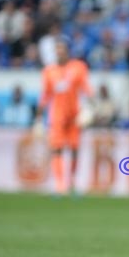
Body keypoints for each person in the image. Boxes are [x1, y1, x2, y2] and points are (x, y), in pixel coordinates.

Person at [36, 39, 93, 195]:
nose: (59, 52)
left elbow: (86, 88)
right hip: (58, 115)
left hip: (75, 115)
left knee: (74, 149)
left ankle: (72, 182)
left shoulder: (78, 67)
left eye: (61, 49)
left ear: (68, 51)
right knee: (57, 148)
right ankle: (60, 185)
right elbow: (45, 94)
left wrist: (89, 107)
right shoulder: (49, 71)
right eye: (57, 49)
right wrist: (39, 117)